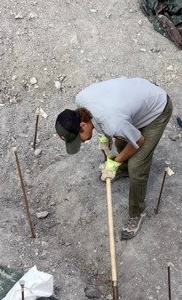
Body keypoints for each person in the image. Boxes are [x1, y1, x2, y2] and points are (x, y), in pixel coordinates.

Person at [55, 77, 173, 240]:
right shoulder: (81, 100)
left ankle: (137, 213)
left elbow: (139, 141)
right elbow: (103, 115)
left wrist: (114, 162)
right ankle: (123, 170)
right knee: (120, 142)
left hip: (158, 108)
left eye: (79, 138)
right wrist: (104, 138)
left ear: (83, 125)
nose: (82, 141)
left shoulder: (113, 123)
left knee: (137, 165)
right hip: (137, 99)